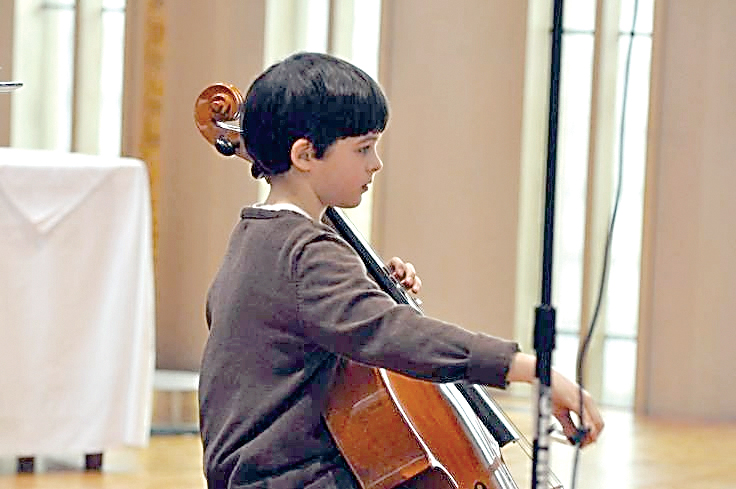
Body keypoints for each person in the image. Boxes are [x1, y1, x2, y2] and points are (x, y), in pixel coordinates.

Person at [198, 52, 604, 489]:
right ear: (304, 155)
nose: (376, 163)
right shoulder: (306, 253)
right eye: (363, 148)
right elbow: (395, 334)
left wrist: (365, 288)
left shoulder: (255, 237)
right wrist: (528, 368)